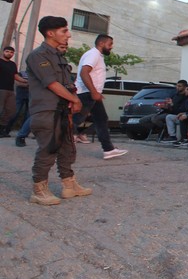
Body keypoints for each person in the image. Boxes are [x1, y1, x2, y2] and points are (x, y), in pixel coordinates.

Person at [25, 16, 90, 205]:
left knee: (67, 148)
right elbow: (52, 84)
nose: (68, 35)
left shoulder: (58, 56)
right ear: (50, 33)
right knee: (48, 149)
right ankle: (39, 190)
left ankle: (69, 186)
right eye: (64, 31)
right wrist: (75, 99)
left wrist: (71, 101)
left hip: (62, 110)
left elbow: (66, 84)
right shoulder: (38, 55)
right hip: (46, 110)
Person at [72, 34, 128, 160]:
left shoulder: (95, 55)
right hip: (87, 93)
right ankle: (55, 145)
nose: (111, 47)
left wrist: (95, 92)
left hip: (91, 93)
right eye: (110, 44)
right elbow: (84, 72)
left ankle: (108, 149)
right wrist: (93, 91)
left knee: (101, 119)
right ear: (102, 43)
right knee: (75, 120)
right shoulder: (94, 54)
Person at [0, 46, 27, 137]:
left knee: (11, 110)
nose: (9, 53)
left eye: (11, 52)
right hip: (1, 89)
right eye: (7, 51)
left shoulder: (12, 64)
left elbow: (15, 75)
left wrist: (26, 81)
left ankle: (2, 130)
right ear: (3, 52)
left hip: (10, 90)